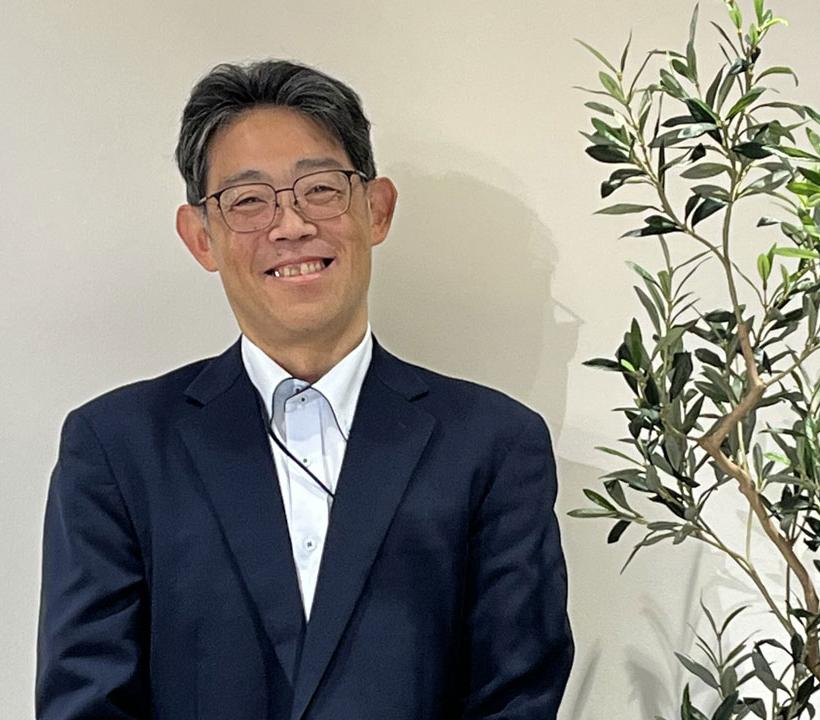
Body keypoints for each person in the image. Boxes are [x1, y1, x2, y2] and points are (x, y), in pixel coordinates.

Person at [36, 59, 574, 720]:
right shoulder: (118, 447)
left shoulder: (494, 446)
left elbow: (515, 697)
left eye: (319, 189)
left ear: (376, 209)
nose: (290, 225)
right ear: (200, 237)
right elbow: (87, 702)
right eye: (248, 200)